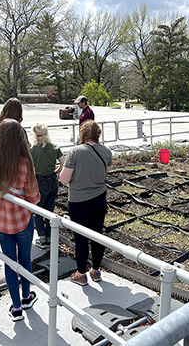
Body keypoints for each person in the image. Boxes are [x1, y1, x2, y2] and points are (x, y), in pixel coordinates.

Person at [0, 119, 41, 321]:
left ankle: (16, 307)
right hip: (23, 220)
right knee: (25, 260)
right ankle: (26, 297)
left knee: (9, 263)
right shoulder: (24, 163)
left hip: (0, 219)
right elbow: (33, 195)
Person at [60, 120, 112, 285]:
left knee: (80, 237)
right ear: (98, 134)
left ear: (82, 134)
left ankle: (81, 274)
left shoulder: (75, 152)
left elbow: (64, 179)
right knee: (97, 235)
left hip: (78, 201)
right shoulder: (106, 151)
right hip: (99, 198)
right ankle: (96, 271)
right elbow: (106, 172)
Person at [30, 123, 65, 248]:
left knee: (38, 210)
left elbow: (31, 169)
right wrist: (58, 170)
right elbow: (63, 162)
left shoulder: (33, 150)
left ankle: (42, 237)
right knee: (50, 210)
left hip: (40, 181)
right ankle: (50, 236)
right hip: (52, 179)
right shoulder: (54, 147)